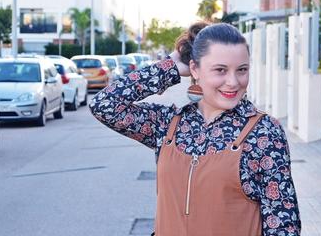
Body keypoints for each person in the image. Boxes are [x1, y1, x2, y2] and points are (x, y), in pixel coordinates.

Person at [89, 22, 301, 236]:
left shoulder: (263, 131)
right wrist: (170, 67)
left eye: (242, 70)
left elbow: (283, 223)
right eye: (220, 70)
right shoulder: (168, 124)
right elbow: (105, 105)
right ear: (194, 69)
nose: (233, 82)